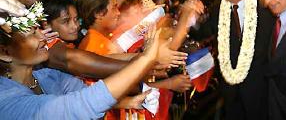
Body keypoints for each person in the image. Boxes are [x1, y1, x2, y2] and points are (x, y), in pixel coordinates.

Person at [0, 14, 164, 119]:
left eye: (38, 30)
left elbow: (83, 93)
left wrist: (125, 102)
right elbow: (77, 107)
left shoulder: (46, 74)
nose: (43, 37)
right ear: (5, 53)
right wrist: (146, 59)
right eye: (31, 34)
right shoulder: (5, 100)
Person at [197, 0, 273, 120]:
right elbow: (203, 33)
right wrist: (192, 20)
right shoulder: (218, 9)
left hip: (257, 84)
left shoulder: (264, 8)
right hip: (229, 86)